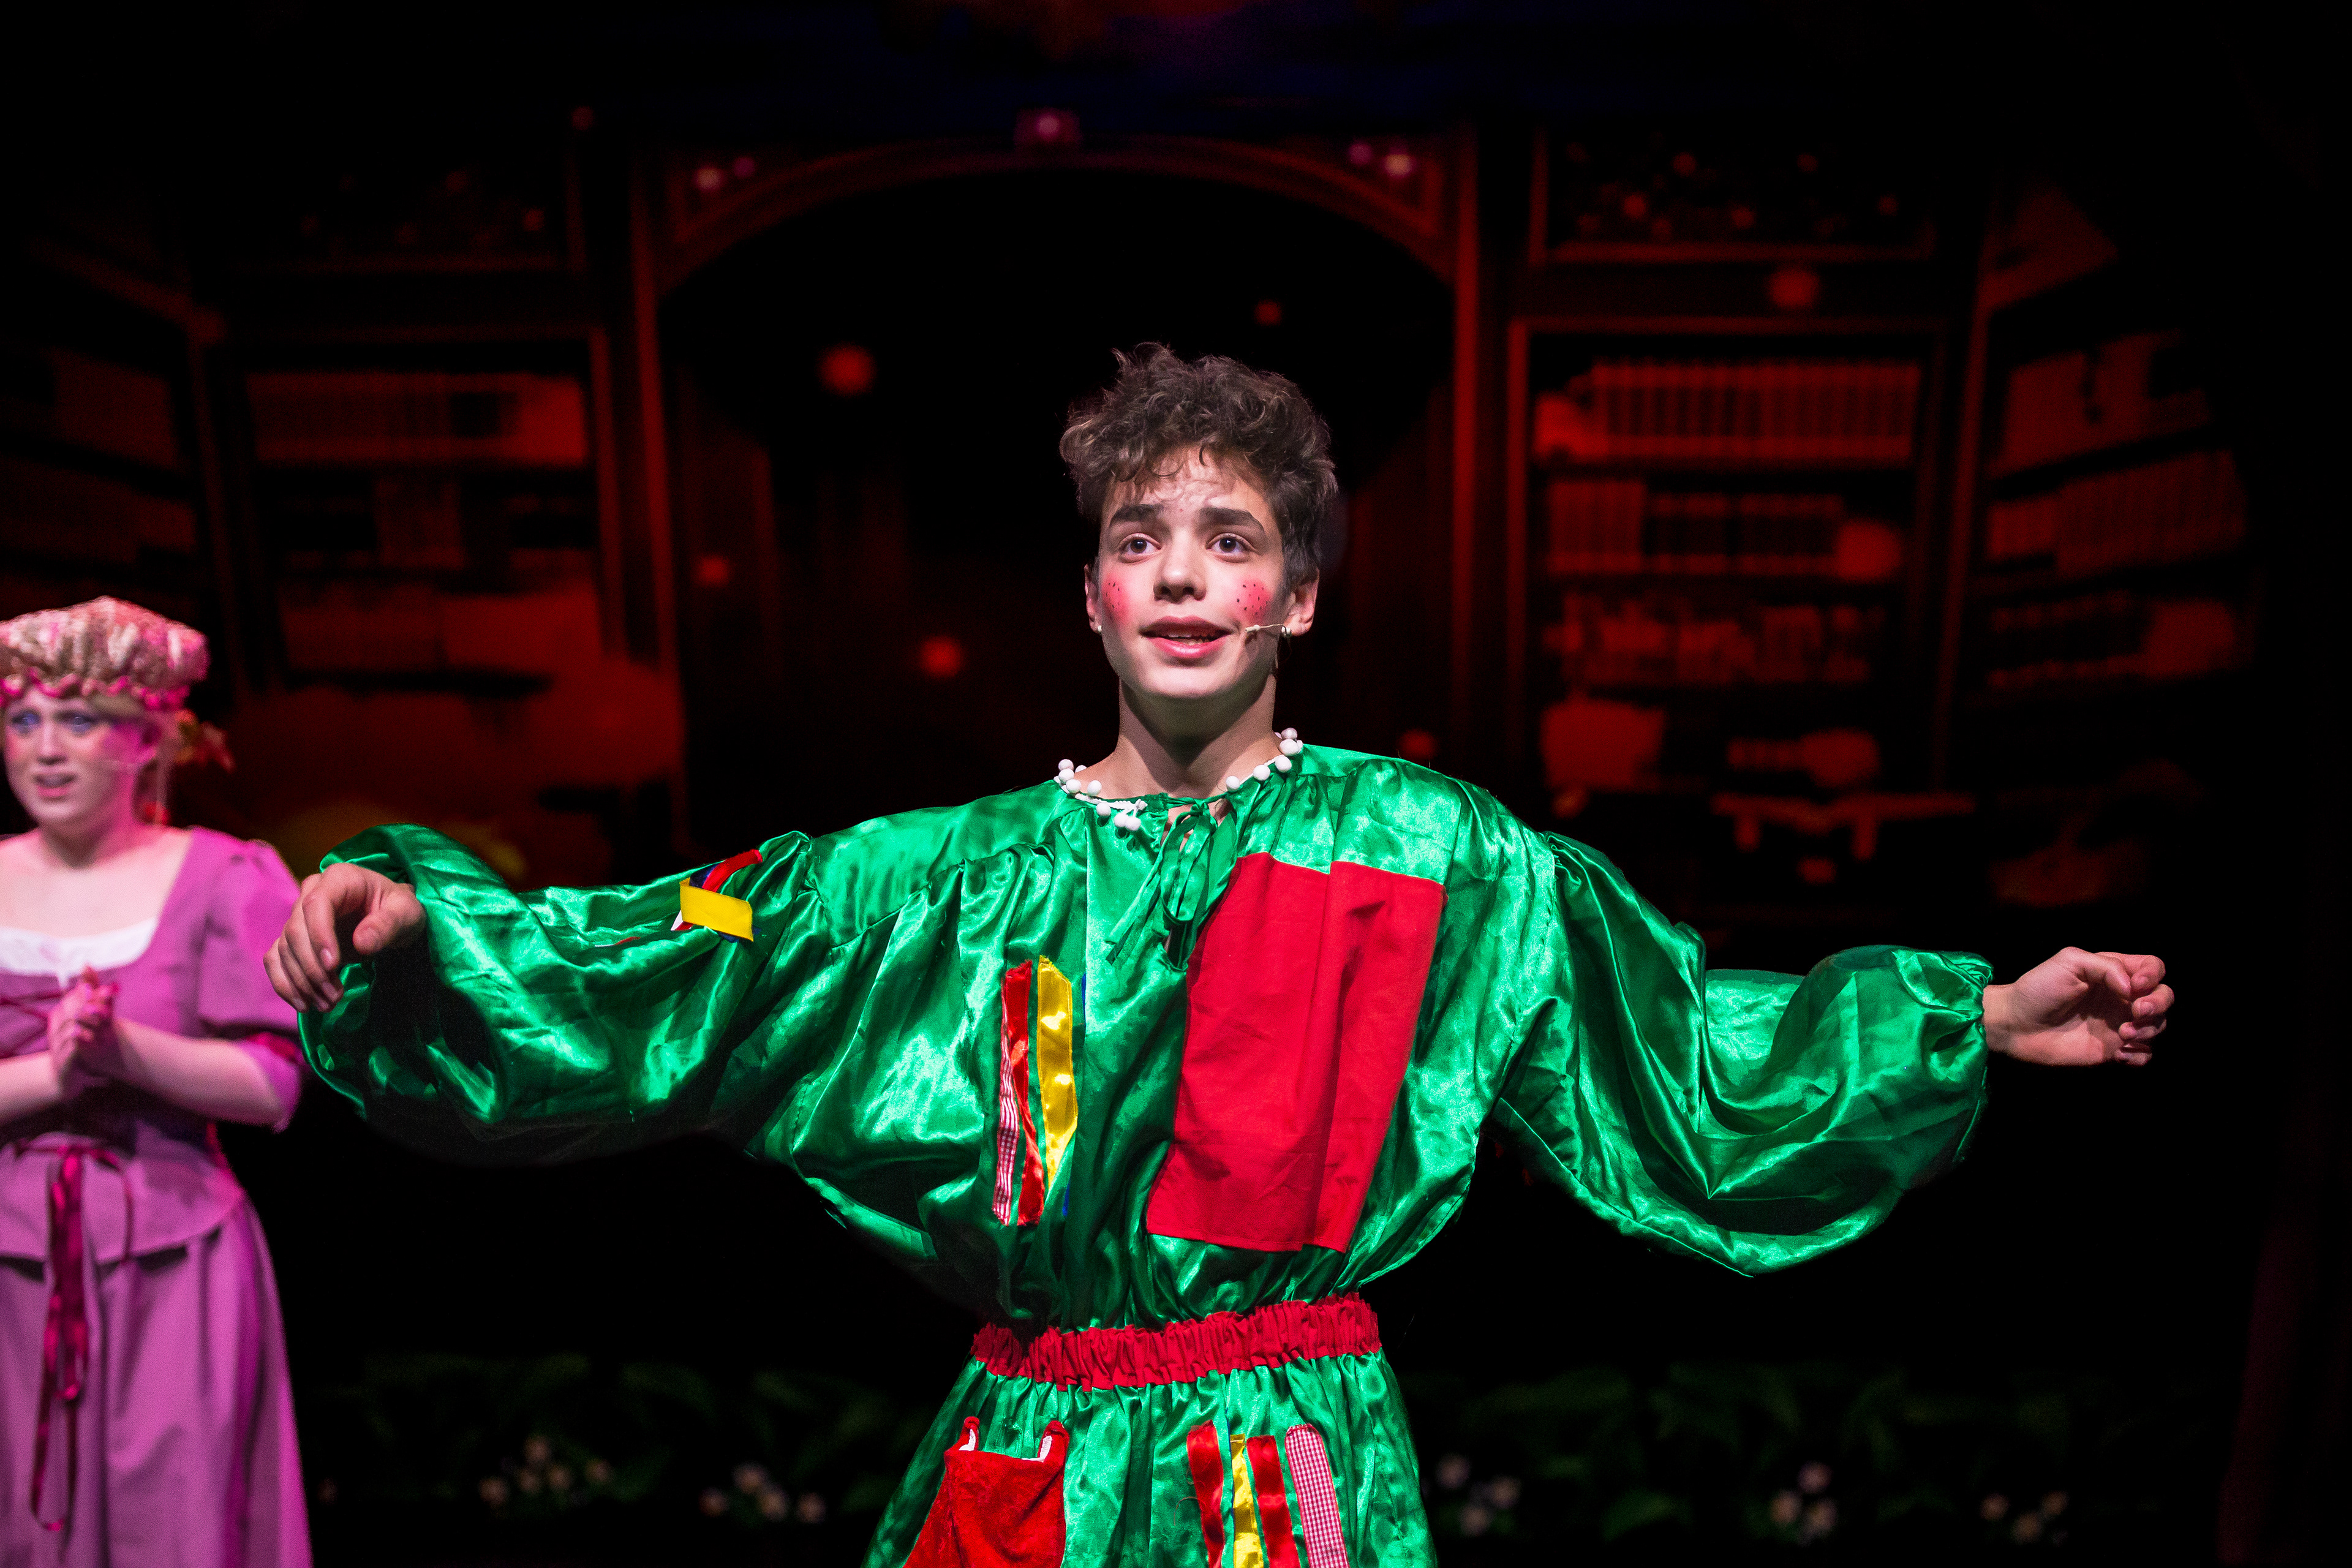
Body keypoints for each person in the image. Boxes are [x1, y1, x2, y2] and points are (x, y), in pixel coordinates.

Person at [270, 347, 2171, 1568]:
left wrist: (1973, 1018)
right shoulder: (940, 877)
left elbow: (1675, 1052)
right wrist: (433, 923)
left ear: (1301, 593)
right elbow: (682, 946)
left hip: (1289, 1460)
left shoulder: (1435, 853)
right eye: (1141, 538)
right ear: (1091, 597)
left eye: (1230, 538)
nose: (1184, 571)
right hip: (1028, 1451)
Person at [0, 598, 309, 1566]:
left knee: (176, 1522)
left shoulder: (224, 877)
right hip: (11, 1261)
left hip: (173, 1257)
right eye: (23, 719)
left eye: (78, 720)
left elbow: (274, 1087)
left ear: (146, 739)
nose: (46, 748)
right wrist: (57, 1074)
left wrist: (126, 1052)